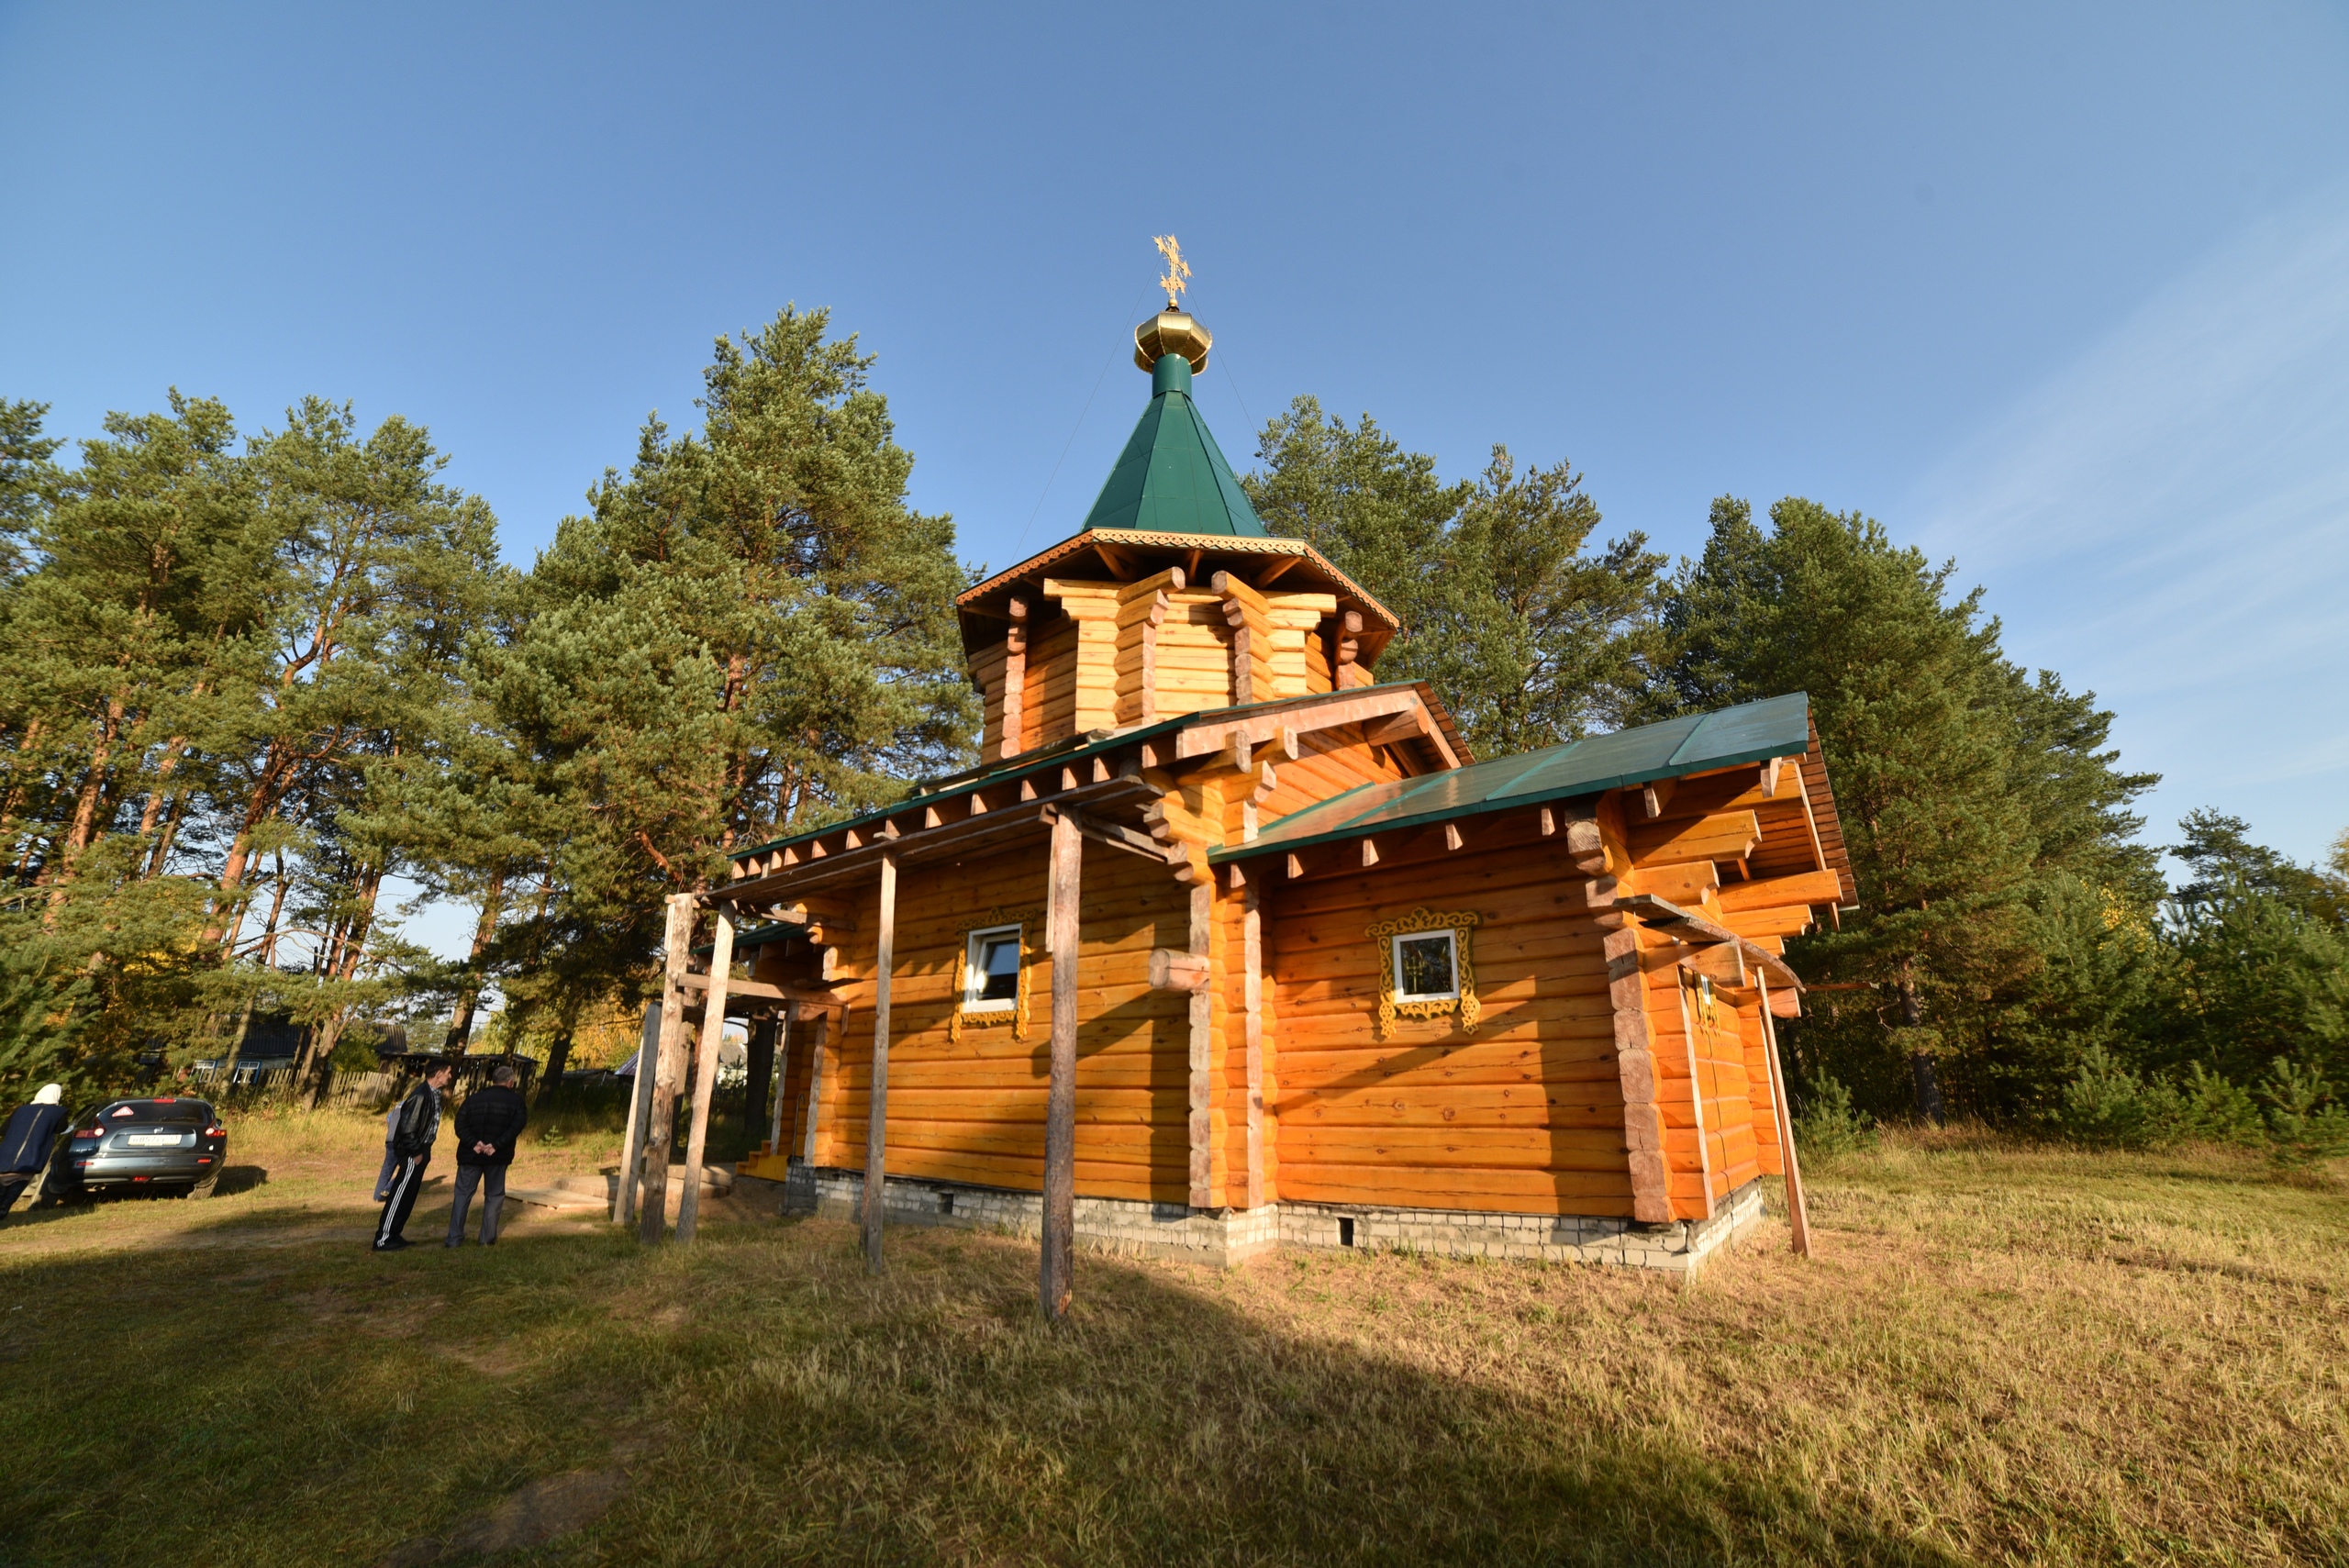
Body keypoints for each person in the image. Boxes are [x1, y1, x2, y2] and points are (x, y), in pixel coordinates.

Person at [373, 1060, 452, 1252]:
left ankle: (395, 1234)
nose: (451, 1076)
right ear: (439, 1073)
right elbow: (407, 1127)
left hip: (423, 1149)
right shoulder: (420, 1095)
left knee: (409, 1196)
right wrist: (415, 1152)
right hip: (412, 1152)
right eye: (448, 1072)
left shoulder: (434, 1094)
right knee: (399, 1195)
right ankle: (383, 1239)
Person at [446, 1062, 528, 1248]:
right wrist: (495, 1146)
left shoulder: (473, 1099)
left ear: (493, 1080)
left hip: (470, 1154)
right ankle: (486, 1239)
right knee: (494, 1195)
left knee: (462, 1195)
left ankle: (453, 1238)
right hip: (497, 1157)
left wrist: (474, 1143)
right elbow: (515, 1128)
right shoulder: (517, 1102)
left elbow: (460, 1124)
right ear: (510, 1082)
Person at [0, 1084, 67, 1218]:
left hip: (6, 1157)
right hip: (31, 1157)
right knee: (11, 1195)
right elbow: (61, 1129)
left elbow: (3, 1130)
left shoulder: (21, 1110)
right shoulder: (58, 1112)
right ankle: (2, 1212)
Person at [373, 1096, 402, 1202]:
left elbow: (388, 1119)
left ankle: (378, 1196)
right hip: (401, 1141)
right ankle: (388, 1188)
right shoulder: (412, 1105)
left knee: (387, 1168)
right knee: (406, 1168)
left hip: (390, 1139)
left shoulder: (398, 1105)